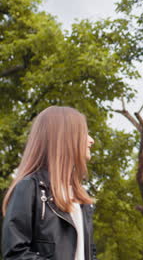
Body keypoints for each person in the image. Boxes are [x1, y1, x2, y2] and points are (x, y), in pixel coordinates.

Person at [2, 106, 97, 260]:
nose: (91, 140)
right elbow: (15, 253)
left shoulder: (83, 198)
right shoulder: (29, 188)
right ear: (65, 137)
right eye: (84, 133)